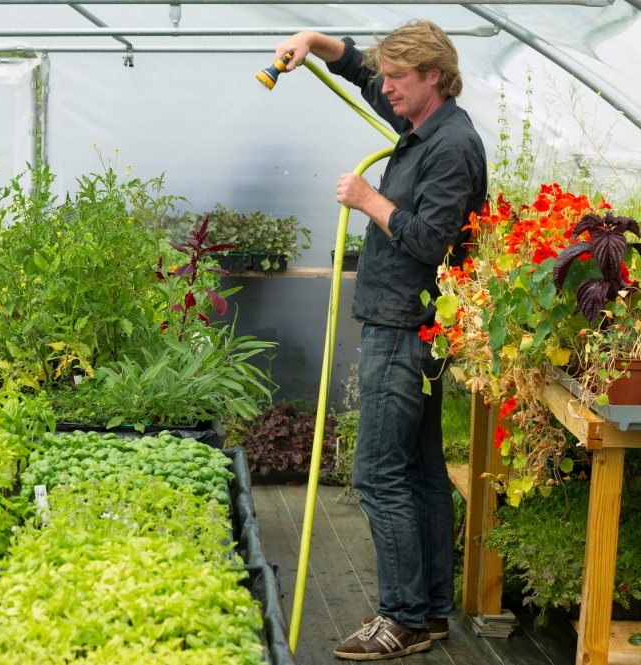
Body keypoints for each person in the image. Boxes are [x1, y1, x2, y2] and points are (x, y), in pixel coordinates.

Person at [273, 20, 488, 661]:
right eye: (386, 75)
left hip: (403, 327)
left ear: (434, 77)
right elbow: (365, 71)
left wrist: (369, 199)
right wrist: (313, 40)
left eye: (399, 77)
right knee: (421, 472)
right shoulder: (424, 127)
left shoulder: (451, 146)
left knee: (377, 474)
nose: (386, 86)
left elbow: (432, 240)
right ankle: (430, 613)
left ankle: (400, 618)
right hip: (405, 322)